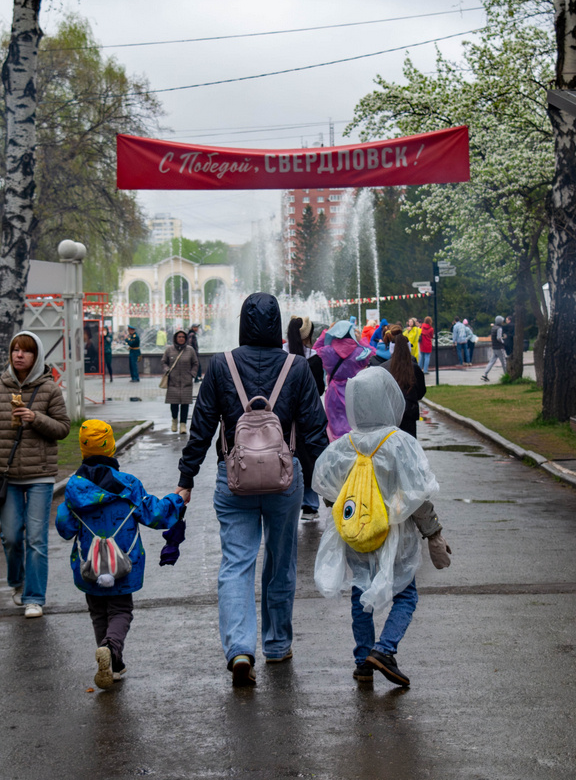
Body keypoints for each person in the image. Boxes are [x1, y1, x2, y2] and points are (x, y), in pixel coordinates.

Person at [175, 293, 328, 687]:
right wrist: (328, 486)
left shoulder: (221, 365)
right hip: (284, 480)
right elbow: (314, 430)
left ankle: (240, 648)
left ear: (243, 322)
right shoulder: (297, 367)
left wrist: (186, 479)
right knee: (280, 562)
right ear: (278, 324)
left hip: (234, 478)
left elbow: (202, 425)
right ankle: (276, 645)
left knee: (236, 563)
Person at [311, 367, 451, 686]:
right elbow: (418, 496)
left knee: (361, 591)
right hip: (395, 535)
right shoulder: (399, 443)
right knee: (406, 594)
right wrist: (433, 533)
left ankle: (363, 660)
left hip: (358, 535)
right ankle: (384, 649)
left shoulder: (344, 445)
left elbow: (329, 491)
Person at [56, 420, 187, 689]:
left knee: (98, 613)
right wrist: (177, 499)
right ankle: (111, 648)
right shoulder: (129, 484)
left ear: (82, 449)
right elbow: (155, 514)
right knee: (121, 610)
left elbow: (65, 528)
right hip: (123, 562)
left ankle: (112, 664)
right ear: (111, 447)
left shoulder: (74, 488)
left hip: (89, 564)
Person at [0, 331, 72, 619]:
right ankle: (17, 582)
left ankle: (34, 598)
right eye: (15, 350)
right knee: (11, 537)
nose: (19, 355)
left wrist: (35, 418)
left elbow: (63, 428)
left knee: (36, 539)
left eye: (26, 351)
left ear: (36, 356)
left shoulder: (49, 389)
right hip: (6, 475)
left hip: (40, 475)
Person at [287, 316, 324, 520]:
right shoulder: (314, 359)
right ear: (309, 334)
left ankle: (288, 501)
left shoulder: (281, 355)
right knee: (309, 459)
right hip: (308, 416)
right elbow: (319, 389)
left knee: (287, 456)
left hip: (284, 416)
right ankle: (309, 505)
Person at [314, 319, 373, 441]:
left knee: (335, 429)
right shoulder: (360, 351)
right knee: (355, 426)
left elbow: (315, 350)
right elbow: (373, 355)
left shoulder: (328, 351)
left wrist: (326, 332)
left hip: (333, 393)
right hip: (355, 391)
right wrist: (360, 340)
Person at [386, 333, 427, 438]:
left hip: (390, 413)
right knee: (409, 443)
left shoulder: (385, 368)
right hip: (409, 412)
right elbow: (421, 391)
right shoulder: (415, 368)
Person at [162, 330, 199, 433]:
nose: (181, 338)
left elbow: (195, 363)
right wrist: (167, 370)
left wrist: (192, 374)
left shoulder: (190, 350)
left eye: (183, 337)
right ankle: (174, 421)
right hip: (173, 381)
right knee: (174, 403)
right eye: (179, 337)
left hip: (186, 382)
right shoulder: (169, 350)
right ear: (175, 338)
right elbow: (164, 362)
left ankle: (183, 425)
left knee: (185, 404)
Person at [482, 316, 508, 382]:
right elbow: (498, 338)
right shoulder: (499, 328)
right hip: (499, 347)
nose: (503, 322)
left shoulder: (493, 328)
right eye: (502, 321)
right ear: (500, 321)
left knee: (491, 361)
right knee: (504, 362)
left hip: (494, 347)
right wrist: (503, 342)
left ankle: (485, 374)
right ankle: (507, 375)